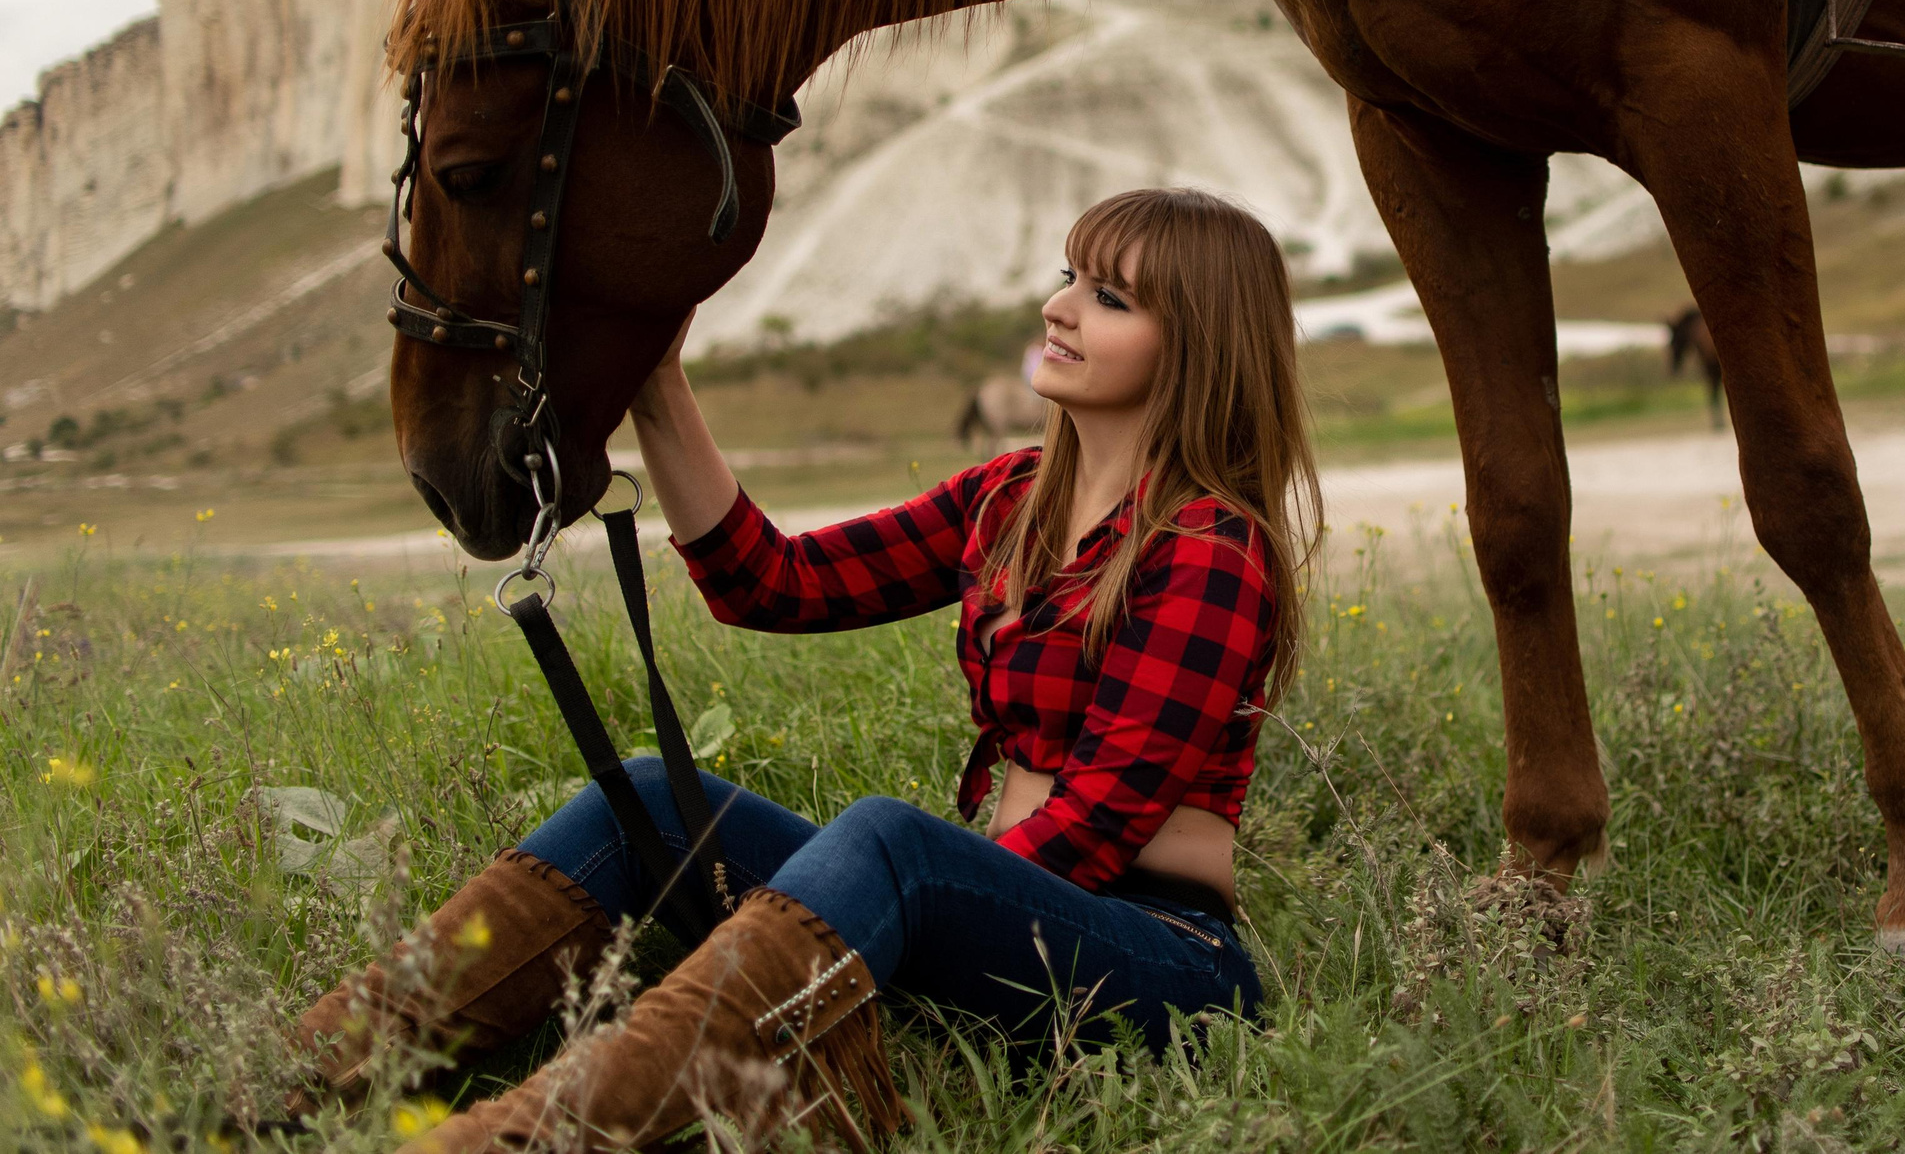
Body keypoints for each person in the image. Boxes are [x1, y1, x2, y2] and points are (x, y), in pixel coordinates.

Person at [293, 189, 1318, 1152]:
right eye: (1068, 277)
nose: (1058, 307)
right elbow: (775, 583)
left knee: (891, 843)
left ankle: (511, 1137)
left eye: (1110, 298)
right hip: (1017, 920)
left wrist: (862, 919)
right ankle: (292, 1072)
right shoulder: (1010, 495)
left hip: (1158, 961)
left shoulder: (1209, 548)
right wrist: (657, 385)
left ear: (1197, 343)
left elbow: (1094, 828)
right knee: (645, 799)